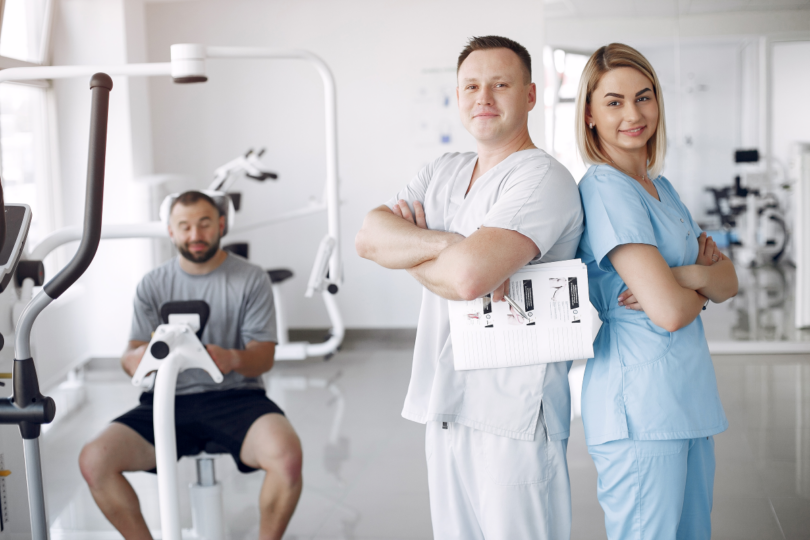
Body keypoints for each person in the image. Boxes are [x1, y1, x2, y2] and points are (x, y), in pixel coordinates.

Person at [356, 36, 584, 539]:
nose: (484, 97)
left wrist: (415, 252)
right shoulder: (443, 170)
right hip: (446, 399)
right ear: (458, 96)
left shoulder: (543, 178)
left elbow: (466, 278)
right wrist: (454, 244)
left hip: (514, 410)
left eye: (500, 84)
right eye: (471, 86)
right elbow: (370, 238)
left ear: (529, 95)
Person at [574, 43, 738, 540]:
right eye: (614, 102)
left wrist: (685, 278)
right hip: (640, 409)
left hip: (686, 397)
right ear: (590, 115)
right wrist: (694, 280)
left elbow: (728, 281)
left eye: (644, 98)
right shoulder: (605, 188)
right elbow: (667, 313)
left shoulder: (660, 188)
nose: (633, 114)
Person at [79, 191, 302, 540]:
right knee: (94, 460)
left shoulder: (251, 278)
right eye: (184, 227)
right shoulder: (153, 284)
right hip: (165, 402)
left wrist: (233, 358)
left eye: (204, 224)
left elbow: (264, 357)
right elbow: (130, 355)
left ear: (221, 225)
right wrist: (137, 359)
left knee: (286, 458)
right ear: (171, 231)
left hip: (237, 398)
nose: (194, 235)